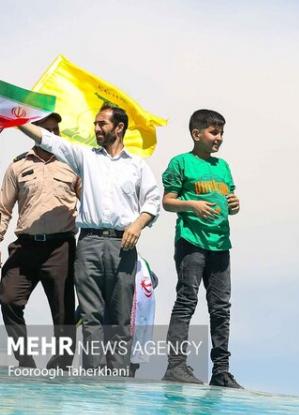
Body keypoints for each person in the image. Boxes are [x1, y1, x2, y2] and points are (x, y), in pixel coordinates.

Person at [15, 104, 161, 371]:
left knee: (119, 317)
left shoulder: (137, 166)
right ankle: (93, 377)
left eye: (102, 124)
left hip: (123, 244)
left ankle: (116, 378)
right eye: (95, 123)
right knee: (91, 315)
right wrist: (13, 117)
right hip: (89, 243)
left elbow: (153, 201)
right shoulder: (85, 158)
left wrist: (137, 226)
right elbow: (46, 139)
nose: (96, 128)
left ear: (119, 128)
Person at [161, 109, 242, 388]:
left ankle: (221, 371)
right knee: (187, 301)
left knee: (221, 308)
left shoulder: (223, 167)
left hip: (220, 244)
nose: (218, 138)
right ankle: (176, 366)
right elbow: (167, 201)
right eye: (213, 132)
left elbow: (229, 201)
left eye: (221, 133)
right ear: (197, 134)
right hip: (191, 242)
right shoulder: (181, 163)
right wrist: (192, 204)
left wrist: (235, 206)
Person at [0, 112, 78, 369]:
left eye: (56, 130)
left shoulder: (73, 164)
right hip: (26, 246)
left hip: (61, 247)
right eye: (47, 130)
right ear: (35, 131)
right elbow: (3, 210)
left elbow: (92, 203)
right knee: (8, 299)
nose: (52, 135)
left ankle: (61, 363)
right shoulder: (18, 166)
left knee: (64, 311)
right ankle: (25, 361)